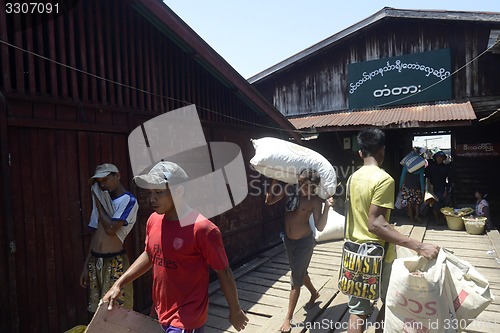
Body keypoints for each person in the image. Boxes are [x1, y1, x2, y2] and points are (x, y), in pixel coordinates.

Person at [102, 161, 248, 332]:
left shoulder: (203, 229)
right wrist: (119, 283)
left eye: (158, 192)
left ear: (179, 191)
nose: (152, 199)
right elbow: (150, 254)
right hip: (159, 312)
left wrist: (235, 310)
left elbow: (223, 271)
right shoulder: (154, 220)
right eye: (150, 192)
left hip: (187, 318)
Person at [345, 129, 439, 333]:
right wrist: (419, 245)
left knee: (358, 310)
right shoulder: (384, 179)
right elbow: (376, 224)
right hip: (379, 255)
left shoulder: (352, 178)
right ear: (382, 151)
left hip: (354, 254)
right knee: (390, 303)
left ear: (361, 153)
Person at [265, 169, 333, 333]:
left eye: (306, 186)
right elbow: (269, 200)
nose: (302, 188)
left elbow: (320, 226)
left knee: (296, 278)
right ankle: (314, 293)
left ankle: (288, 318)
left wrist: (326, 208)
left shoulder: (314, 201)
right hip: (289, 241)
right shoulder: (290, 190)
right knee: (300, 273)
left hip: (304, 243)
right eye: (301, 183)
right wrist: (275, 181)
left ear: (314, 187)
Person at [79, 163, 139, 314]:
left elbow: (111, 229)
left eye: (106, 179)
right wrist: (87, 264)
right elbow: (97, 237)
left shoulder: (128, 201)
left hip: (114, 262)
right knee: (98, 309)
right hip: (96, 260)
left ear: (117, 176)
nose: (103, 185)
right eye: (100, 183)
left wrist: (99, 204)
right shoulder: (106, 200)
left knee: (116, 309)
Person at [425, 150, 453, 224]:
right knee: (431, 204)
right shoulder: (431, 167)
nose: (439, 159)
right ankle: (436, 220)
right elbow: (426, 176)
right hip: (431, 188)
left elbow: (450, 180)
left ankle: (438, 220)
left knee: (437, 205)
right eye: (438, 157)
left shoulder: (446, 168)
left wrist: (446, 190)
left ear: (443, 158)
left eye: (441, 157)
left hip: (441, 188)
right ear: (435, 158)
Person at [399, 156, 425, 224]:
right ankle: (416, 215)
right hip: (417, 187)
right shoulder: (420, 167)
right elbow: (421, 179)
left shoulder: (406, 166)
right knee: (417, 203)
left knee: (409, 203)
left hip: (407, 187)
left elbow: (402, 176)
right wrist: (422, 189)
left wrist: (400, 185)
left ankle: (411, 218)